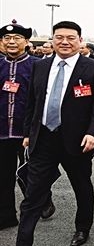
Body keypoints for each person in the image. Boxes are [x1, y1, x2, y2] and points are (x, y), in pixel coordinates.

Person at [1, 21, 94, 246]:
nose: (65, 42)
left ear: (80, 40)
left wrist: (93, 133)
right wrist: (28, 132)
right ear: (52, 40)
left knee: (81, 185)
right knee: (33, 194)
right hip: (44, 138)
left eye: (71, 38)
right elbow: (33, 101)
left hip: (77, 140)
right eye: (59, 37)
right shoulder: (40, 65)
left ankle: (82, 228)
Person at [0, 22, 55, 230]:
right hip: (3, 130)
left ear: (26, 42)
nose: (11, 42)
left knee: (32, 172)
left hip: (28, 130)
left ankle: (43, 199)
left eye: (17, 38)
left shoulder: (38, 65)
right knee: (3, 176)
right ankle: (6, 216)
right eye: (7, 39)